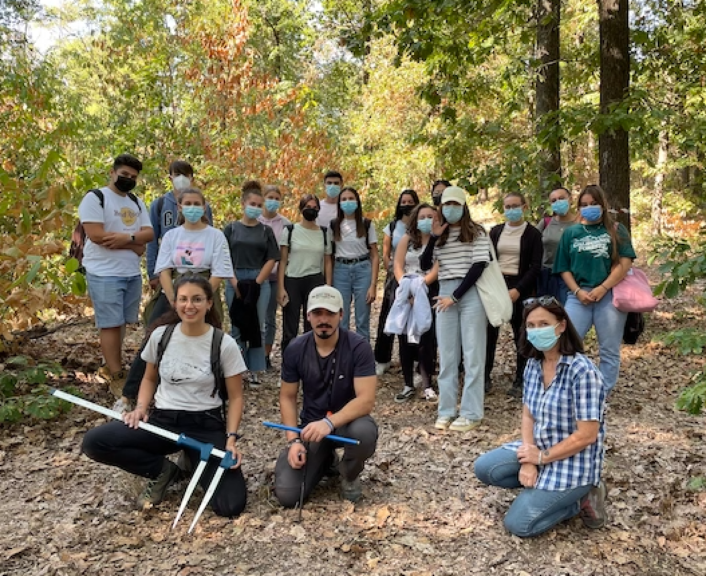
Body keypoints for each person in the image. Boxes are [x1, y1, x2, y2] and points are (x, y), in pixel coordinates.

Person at [82, 275, 247, 516]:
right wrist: (140, 408)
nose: (189, 306)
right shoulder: (161, 336)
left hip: (204, 425)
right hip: (163, 421)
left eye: (197, 299)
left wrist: (231, 439)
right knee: (95, 442)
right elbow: (149, 378)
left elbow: (236, 397)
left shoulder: (224, 344)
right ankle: (163, 471)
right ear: (175, 302)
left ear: (209, 303)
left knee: (230, 506)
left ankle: (192, 458)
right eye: (183, 299)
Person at [474, 296, 607, 537]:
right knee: (485, 468)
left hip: (573, 462)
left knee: (518, 525)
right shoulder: (534, 365)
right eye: (531, 326)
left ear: (562, 325)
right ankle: (542, 493)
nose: (537, 331)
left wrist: (542, 458)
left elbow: (587, 436)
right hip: (539, 448)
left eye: (544, 324)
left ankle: (580, 500)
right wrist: (528, 459)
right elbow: (528, 415)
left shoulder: (583, 372)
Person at [121, 187, 236, 406]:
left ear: (204, 207)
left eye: (197, 204)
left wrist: (198, 298)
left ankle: (217, 393)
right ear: (180, 208)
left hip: (205, 289)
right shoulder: (172, 236)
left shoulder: (215, 236)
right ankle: (129, 395)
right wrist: (175, 299)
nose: (193, 208)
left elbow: (220, 271)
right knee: (153, 338)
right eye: (188, 204)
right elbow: (163, 269)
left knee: (211, 339)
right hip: (173, 289)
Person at [274, 286, 378, 506]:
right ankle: (324, 460)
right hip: (311, 428)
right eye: (318, 313)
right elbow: (287, 397)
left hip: (347, 423)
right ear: (308, 315)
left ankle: (349, 472)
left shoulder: (359, 347)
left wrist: (329, 422)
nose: (324, 319)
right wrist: (294, 441)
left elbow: (366, 400)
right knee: (288, 496)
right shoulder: (295, 349)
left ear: (341, 314)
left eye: (330, 313)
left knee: (365, 432)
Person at [78, 153, 154, 397]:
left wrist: (125, 239)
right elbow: (98, 236)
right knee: (110, 324)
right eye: (124, 175)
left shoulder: (136, 201)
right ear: (112, 173)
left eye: (133, 177)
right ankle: (117, 374)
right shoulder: (96, 198)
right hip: (103, 271)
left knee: (121, 322)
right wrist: (134, 242)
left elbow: (148, 234)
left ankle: (110, 365)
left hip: (130, 271)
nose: (128, 179)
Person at [420, 186, 490, 432]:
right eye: (446, 204)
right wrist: (434, 237)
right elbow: (425, 263)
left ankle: (471, 412)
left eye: (455, 204)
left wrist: (456, 297)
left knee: (473, 355)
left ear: (463, 206)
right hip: (444, 291)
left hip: (470, 293)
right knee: (448, 356)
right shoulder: (441, 234)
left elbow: (479, 265)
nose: (450, 209)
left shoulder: (477, 232)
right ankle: (446, 410)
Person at [553, 184, 635, 394]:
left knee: (609, 349)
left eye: (593, 204)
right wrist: (578, 292)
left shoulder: (616, 230)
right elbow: (563, 267)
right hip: (577, 296)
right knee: (566, 344)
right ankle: (567, 389)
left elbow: (625, 263)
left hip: (610, 295)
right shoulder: (571, 233)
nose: (589, 208)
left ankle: (602, 393)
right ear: (578, 207)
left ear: (603, 205)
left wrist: (603, 287)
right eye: (584, 205)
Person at [485, 192, 543, 397]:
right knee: (489, 334)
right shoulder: (495, 231)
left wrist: (518, 290)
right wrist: (496, 288)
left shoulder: (533, 234)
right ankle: (484, 377)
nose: (511, 210)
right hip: (496, 285)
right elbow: (487, 261)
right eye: (507, 207)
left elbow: (536, 266)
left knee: (522, 334)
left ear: (524, 207)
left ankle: (521, 379)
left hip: (521, 288)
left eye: (515, 206)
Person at [224, 181, 279, 387]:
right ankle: (236, 368)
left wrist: (257, 282)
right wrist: (234, 282)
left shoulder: (265, 231)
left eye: (259, 204)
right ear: (243, 203)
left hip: (259, 280)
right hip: (235, 278)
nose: (255, 207)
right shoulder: (231, 229)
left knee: (258, 325)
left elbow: (272, 258)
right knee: (237, 324)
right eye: (252, 203)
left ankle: (255, 369)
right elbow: (223, 256)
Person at [391, 203, 439, 403]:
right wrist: (407, 287)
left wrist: (420, 288)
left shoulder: (439, 242)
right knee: (404, 339)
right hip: (405, 291)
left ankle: (427, 384)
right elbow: (398, 265)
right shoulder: (406, 240)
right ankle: (408, 383)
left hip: (428, 291)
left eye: (430, 216)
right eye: (422, 217)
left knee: (426, 339)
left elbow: (437, 268)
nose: (426, 220)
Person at [146, 161, 213, 295]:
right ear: (170, 178)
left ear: (192, 179)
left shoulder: (203, 206)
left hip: (197, 268)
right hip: (168, 268)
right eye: (177, 175)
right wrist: (152, 273)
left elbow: (209, 239)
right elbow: (152, 241)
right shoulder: (159, 204)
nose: (181, 179)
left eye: (185, 175)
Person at [278, 194, 333, 353]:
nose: (311, 210)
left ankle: (311, 362)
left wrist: (328, 286)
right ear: (301, 209)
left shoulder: (323, 233)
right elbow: (282, 261)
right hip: (293, 280)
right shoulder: (290, 230)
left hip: (315, 280)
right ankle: (288, 364)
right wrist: (281, 288)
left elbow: (327, 260)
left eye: (315, 208)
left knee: (313, 324)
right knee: (290, 326)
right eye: (308, 207)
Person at [374, 189, 420, 376]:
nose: (407, 205)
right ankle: (382, 358)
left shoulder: (422, 224)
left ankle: (413, 360)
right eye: (404, 201)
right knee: (387, 316)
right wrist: (391, 269)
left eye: (410, 202)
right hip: (394, 277)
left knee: (414, 319)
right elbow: (385, 252)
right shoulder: (392, 226)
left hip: (416, 276)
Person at [330, 186, 379, 341]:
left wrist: (373, 285)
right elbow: (329, 256)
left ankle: (363, 359)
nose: (347, 202)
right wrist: (329, 282)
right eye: (344, 199)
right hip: (340, 270)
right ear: (339, 203)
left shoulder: (367, 224)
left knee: (362, 318)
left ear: (357, 202)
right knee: (341, 318)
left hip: (363, 269)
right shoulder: (333, 225)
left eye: (351, 199)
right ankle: (342, 358)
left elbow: (375, 256)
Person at [258, 184, 292, 370]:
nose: (273, 201)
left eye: (276, 198)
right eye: (269, 197)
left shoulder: (285, 224)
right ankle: (251, 355)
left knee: (270, 317)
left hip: (276, 277)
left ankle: (266, 355)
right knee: (256, 317)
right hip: (255, 277)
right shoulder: (255, 220)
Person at [536, 186, 576, 304]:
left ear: (570, 199)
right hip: (546, 276)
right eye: (554, 200)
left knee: (567, 314)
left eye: (561, 198)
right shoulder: (545, 223)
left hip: (571, 278)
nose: (558, 202)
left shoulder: (580, 223)